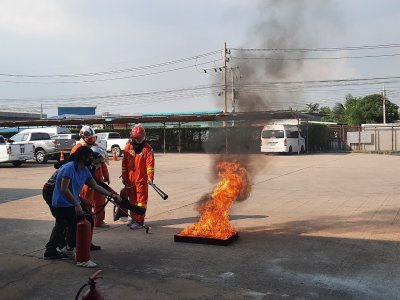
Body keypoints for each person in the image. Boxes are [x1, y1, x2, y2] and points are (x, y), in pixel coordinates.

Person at [44, 146, 121, 267]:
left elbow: (96, 186)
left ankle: (51, 250)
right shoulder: (70, 168)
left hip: (69, 201)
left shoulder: (84, 170)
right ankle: (75, 253)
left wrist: (112, 195)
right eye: (91, 158)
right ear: (83, 157)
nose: (93, 162)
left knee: (61, 223)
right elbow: (64, 189)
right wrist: (77, 204)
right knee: (80, 220)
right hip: (60, 202)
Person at [71, 125, 110, 228]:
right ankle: (87, 221)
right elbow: (73, 166)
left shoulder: (96, 147)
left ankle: (99, 221)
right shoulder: (78, 149)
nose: (92, 140)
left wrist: (106, 175)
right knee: (87, 201)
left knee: (100, 200)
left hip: (98, 179)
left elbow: (102, 162)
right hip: (86, 181)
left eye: (94, 138)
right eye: (90, 138)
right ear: (84, 137)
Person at [121, 124, 154, 230]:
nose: (138, 141)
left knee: (141, 200)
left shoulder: (147, 149)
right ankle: (133, 217)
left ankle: (140, 220)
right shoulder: (128, 147)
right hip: (130, 180)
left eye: (139, 138)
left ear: (143, 137)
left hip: (141, 180)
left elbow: (150, 164)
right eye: (136, 139)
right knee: (132, 200)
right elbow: (124, 164)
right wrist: (125, 178)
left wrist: (150, 177)